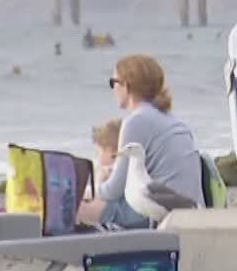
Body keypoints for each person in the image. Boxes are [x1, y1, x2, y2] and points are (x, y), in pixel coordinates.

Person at [77, 56, 203, 231]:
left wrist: (89, 189)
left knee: (76, 205)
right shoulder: (171, 120)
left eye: (114, 82)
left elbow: (114, 190)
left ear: (127, 85)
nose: (113, 89)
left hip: (158, 213)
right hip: (190, 210)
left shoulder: (136, 121)